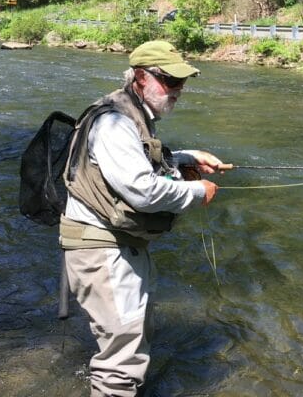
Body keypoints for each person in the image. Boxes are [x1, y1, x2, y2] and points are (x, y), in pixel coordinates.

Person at [60, 40, 223, 397]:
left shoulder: (130, 112)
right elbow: (143, 191)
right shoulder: (115, 121)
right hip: (102, 249)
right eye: (170, 81)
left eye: (181, 83)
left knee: (133, 338)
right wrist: (198, 192)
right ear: (139, 77)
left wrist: (187, 157)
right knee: (121, 360)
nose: (177, 91)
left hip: (117, 245)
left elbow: (136, 163)